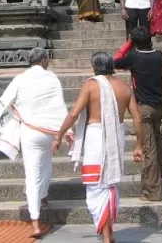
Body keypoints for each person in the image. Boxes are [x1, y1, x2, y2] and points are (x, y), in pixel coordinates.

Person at [54, 52, 144, 243]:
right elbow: (137, 118)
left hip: (95, 136)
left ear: (95, 67)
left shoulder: (91, 85)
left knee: (96, 187)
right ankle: (108, 232)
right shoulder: (124, 87)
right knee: (108, 185)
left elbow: (74, 113)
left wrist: (59, 135)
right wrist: (139, 146)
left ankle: (106, 237)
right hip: (116, 137)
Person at [0, 47, 70, 238]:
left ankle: (35, 223)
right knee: (46, 166)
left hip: (29, 131)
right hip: (50, 130)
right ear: (43, 60)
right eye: (47, 59)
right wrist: (64, 132)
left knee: (32, 175)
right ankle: (43, 197)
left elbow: (3, 103)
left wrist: (17, 113)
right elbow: (59, 105)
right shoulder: (51, 77)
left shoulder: (20, 78)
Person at [114, 26, 162, 201]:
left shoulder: (134, 57)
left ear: (135, 42)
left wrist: (128, 44)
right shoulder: (159, 55)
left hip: (145, 107)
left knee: (148, 148)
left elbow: (114, 61)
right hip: (160, 105)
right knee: (157, 137)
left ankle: (152, 192)